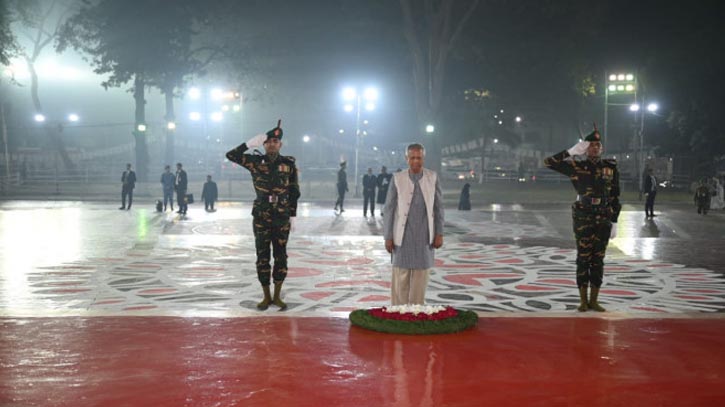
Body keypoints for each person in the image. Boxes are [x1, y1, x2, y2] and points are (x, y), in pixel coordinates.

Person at [544, 126, 621, 312]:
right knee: (583, 257)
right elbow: (548, 162)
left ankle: (594, 300)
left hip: (603, 215)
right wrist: (571, 151)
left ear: (602, 149)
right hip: (583, 215)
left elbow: (615, 196)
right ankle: (583, 300)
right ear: (585, 148)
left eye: (598, 145)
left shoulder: (610, 167)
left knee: (598, 259)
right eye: (591, 145)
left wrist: (615, 220)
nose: (595, 148)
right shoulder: (576, 166)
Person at [226, 121, 300, 311]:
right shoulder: (255, 161)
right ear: (264, 144)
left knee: (281, 255)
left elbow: (294, 191)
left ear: (280, 144)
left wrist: (293, 215)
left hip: (282, 216)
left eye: (275, 141)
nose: (272, 144)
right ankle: (266, 296)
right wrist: (249, 145)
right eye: (268, 141)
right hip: (261, 216)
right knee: (262, 255)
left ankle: (278, 296)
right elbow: (231, 155)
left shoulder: (288, 164)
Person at [383, 143, 444, 305]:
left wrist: (439, 233)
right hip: (402, 236)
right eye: (412, 158)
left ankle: (416, 313)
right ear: (406, 159)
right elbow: (389, 209)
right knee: (400, 277)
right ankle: (398, 313)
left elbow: (438, 208)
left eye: (419, 158)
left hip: (425, 236)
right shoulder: (398, 178)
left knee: (420, 279)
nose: (416, 161)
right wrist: (388, 237)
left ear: (424, 158)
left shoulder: (433, 177)